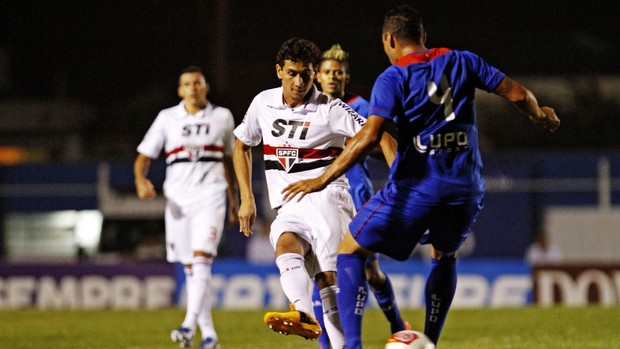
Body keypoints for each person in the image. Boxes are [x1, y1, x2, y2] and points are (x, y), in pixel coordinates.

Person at [281, 5, 560, 348]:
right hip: (466, 189)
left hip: (417, 189)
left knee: (350, 250)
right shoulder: (463, 60)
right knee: (444, 255)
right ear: (424, 36)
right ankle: (428, 340)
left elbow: (370, 135)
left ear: (389, 39)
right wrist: (540, 114)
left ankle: (351, 346)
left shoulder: (393, 77)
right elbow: (518, 93)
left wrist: (320, 179)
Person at [233, 37, 396, 347]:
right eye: (293, 73)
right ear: (279, 70)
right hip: (288, 204)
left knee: (327, 282)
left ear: (314, 74)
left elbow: (380, 137)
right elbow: (241, 144)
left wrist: (400, 175)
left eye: (306, 74)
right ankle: (304, 315)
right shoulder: (263, 103)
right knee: (284, 245)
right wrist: (247, 197)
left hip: (328, 201)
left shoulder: (332, 109)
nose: (299, 81)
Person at [134, 65, 238, 349]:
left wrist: (234, 199)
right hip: (178, 201)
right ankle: (210, 336)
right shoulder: (167, 118)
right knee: (193, 270)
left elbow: (230, 160)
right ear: (180, 90)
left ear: (206, 87)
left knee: (202, 259)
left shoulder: (222, 116)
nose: (193, 88)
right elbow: (143, 156)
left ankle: (187, 325)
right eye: (187, 84)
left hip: (212, 196)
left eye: (198, 83)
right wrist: (140, 180)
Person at [312, 43, 407, 348]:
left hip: (357, 198)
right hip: (322, 199)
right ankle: (332, 343)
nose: (332, 77)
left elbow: (381, 145)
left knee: (369, 270)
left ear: (346, 77)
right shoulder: (310, 109)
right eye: (327, 72)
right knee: (322, 270)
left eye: (338, 73)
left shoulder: (361, 107)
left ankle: (393, 325)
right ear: (318, 76)